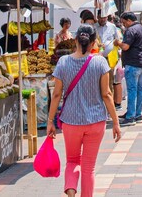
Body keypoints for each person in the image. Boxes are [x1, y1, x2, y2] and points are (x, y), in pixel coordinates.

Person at [47, 25, 121, 197]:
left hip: (71, 122)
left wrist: (50, 121)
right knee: (89, 168)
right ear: (94, 42)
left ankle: (71, 190)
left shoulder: (63, 62)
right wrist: (116, 122)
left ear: (75, 40)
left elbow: (56, 94)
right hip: (96, 122)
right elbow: (107, 94)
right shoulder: (100, 62)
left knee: (72, 161)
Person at [116, 12, 142, 126]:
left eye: (124, 22)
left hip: (133, 63)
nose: (123, 25)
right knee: (139, 89)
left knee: (132, 90)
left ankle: (130, 117)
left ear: (129, 20)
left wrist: (118, 43)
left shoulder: (130, 30)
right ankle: (137, 114)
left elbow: (125, 46)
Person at [96, 13, 123, 110]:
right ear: (98, 17)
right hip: (97, 58)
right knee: (98, 82)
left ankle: (109, 107)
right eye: (101, 17)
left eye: (105, 17)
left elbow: (118, 39)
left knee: (109, 81)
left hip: (110, 58)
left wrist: (119, 50)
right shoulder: (94, 27)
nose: (103, 19)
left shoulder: (112, 27)